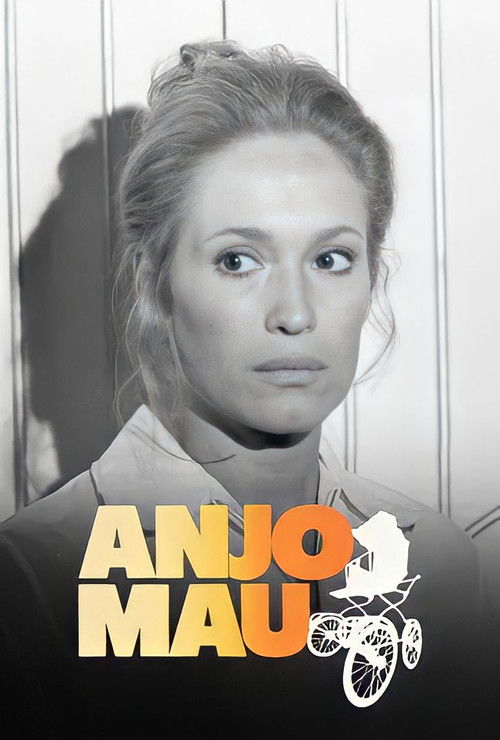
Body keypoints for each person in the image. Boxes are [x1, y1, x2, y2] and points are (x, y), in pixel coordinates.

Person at [0, 41, 496, 738]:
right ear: (154, 285)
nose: (294, 313)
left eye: (331, 258)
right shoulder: (31, 583)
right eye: (238, 260)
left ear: (371, 279)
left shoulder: (440, 567)